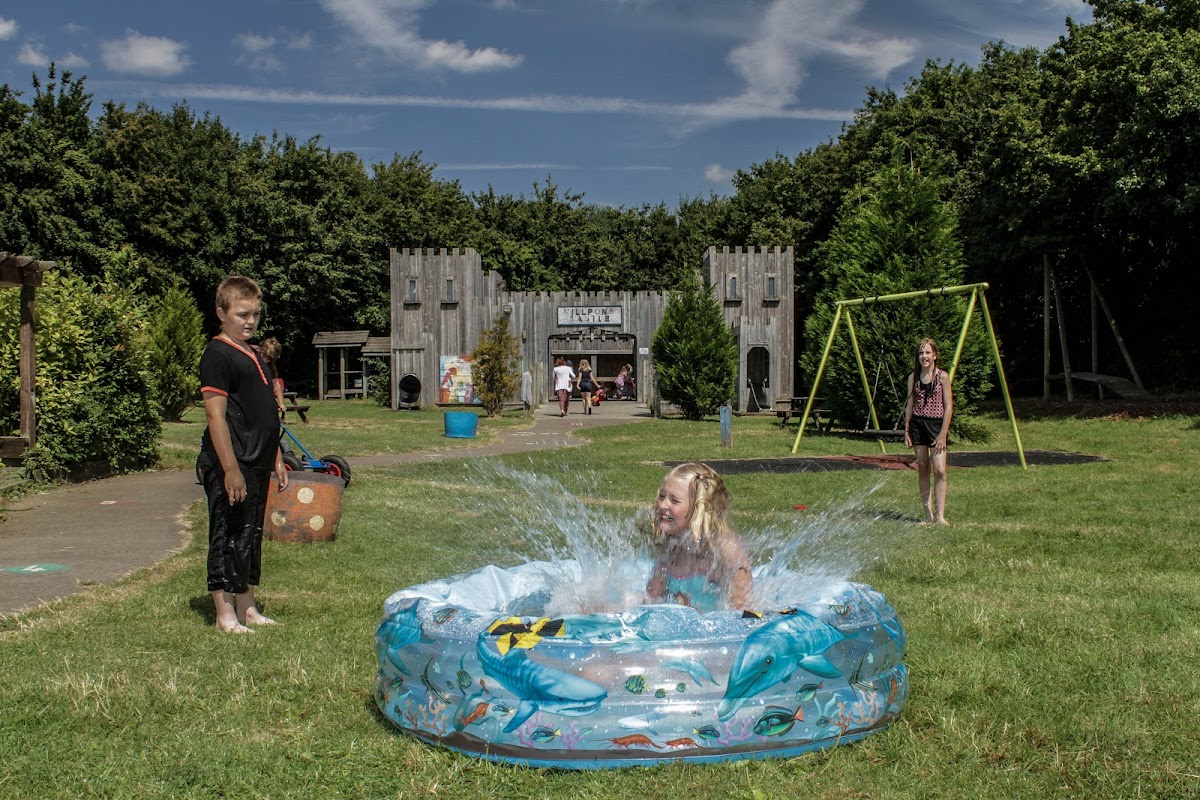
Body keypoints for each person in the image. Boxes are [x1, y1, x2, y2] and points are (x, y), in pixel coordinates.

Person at [197, 276, 289, 633]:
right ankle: (224, 615)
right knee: (226, 533)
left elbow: (263, 410)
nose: (250, 321)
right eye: (241, 314)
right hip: (230, 462)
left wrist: (276, 457)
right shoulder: (217, 354)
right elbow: (214, 415)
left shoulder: (252, 352)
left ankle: (247, 607)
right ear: (221, 313)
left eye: (254, 315)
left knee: (248, 535)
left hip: (257, 460)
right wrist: (229, 468)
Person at [645, 462, 752, 611]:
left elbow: (743, 611)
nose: (663, 505)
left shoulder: (724, 549)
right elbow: (650, 602)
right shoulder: (670, 547)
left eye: (674, 500)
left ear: (698, 508)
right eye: (662, 496)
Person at [903, 338, 953, 526]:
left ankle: (940, 515)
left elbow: (948, 407)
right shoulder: (913, 378)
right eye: (921, 353)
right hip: (918, 424)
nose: (924, 356)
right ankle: (928, 515)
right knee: (923, 466)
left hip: (936, 425)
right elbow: (910, 403)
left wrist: (942, 433)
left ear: (935, 355)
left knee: (939, 469)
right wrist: (907, 428)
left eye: (927, 353)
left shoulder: (942, 377)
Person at [257, 337, 287, 415]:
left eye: (270, 358)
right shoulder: (250, 357)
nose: (266, 360)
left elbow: (276, 384)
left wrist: (281, 403)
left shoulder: (271, 365)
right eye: (264, 355)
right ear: (261, 350)